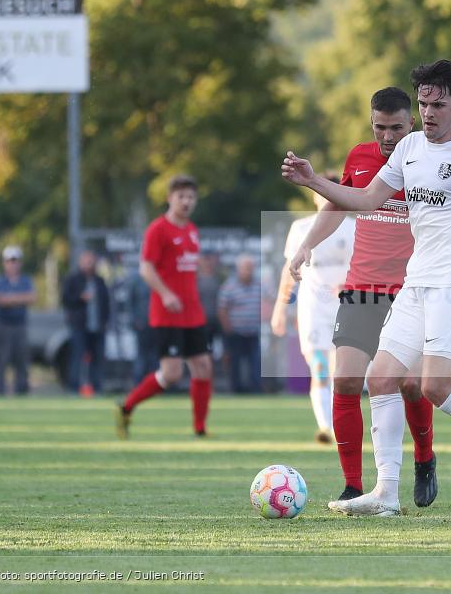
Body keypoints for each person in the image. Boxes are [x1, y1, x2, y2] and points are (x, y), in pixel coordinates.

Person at [282, 59, 451, 518]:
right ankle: (385, 493)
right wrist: (313, 181)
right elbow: (365, 200)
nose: (428, 113)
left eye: (438, 104)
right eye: (423, 103)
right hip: (416, 282)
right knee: (379, 378)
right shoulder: (407, 151)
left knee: (435, 387)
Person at [284, 86, 438, 505]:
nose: (387, 136)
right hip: (361, 288)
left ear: (413, 124)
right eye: (379, 128)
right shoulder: (360, 157)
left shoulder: (433, 162)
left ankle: (425, 458)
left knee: (409, 385)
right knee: (346, 380)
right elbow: (336, 205)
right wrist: (306, 245)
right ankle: (353, 483)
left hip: (411, 292)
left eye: (395, 128)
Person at [115, 175, 214, 438]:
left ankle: (200, 429)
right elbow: (145, 268)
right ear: (170, 198)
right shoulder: (158, 229)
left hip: (193, 313)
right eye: (181, 196)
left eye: (191, 197)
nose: (186, 201)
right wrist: (166, 294)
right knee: (171, 374)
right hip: (167, 314)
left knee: (203, 366)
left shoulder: (192, 230)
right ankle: (126, 406)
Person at [271, 191, 355, 443]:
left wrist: (351, 284)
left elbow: (363, 264)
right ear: (316, 199)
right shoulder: (301, 228)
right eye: (323, 194)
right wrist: (280, 307)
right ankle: (325, 428)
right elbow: (290, 271)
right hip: (313, 308)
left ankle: (340, 426)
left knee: (340, 374)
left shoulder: (352, 227)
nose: (328, 199)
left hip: (346, 307)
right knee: (319, 368)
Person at [61, 250, 111, 395]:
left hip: (97, 327)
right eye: (86, 261)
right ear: (80, 262)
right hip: (79, 326)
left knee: (98, 358)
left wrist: (105, 321)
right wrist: (80, 297)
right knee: (77, 356)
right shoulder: (73, 279)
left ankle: (97, 387)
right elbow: (65, 299)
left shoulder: (99, 281)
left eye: (92, 261)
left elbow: (106, 303)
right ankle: (74, 387)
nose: (89, 264)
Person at [0, 245, 35, 396]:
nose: (13, 264)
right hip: (3, 325)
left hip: (20, 324)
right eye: (10, 261)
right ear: (5, 263)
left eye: (15, 260)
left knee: (21, 359)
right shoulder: (0, 280)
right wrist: (20, 298)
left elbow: (31, 298)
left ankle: (21, 390)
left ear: (20, 263)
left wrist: (12, 298)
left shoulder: (26, 280)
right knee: (1, 359)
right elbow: (1, 300)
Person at [218, 254, 262, 393]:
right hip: (235, 332)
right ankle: (236, 389)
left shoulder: (259, 285)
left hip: (253, 331)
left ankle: (256, 389)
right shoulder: (229, 286)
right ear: (239, 269)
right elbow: (222, 309)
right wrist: (228, 329)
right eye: (245, 268)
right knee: (235, 363)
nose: (248, 271)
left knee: (256, 362)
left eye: (250, 267)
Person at [126, 267, 159, 384]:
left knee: (156, 355)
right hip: (142, 323)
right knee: (142, 354)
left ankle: (154, 384)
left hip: (157, 323)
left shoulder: (160, 277)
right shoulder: (137, 280)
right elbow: (130, 302)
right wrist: (135, 320)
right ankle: (138, 383)